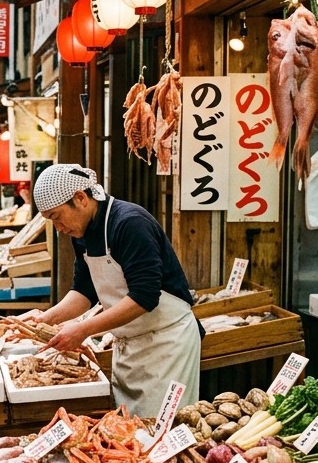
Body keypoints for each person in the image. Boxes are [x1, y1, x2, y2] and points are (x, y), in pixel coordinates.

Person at [28, 164, 201, 414]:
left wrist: (82, 330)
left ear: (80, 198)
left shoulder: (130, 223)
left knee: (162, 431)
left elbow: (144, 297)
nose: (58, 228)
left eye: (56, 217)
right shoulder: (81, 233)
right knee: (128, 435)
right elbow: (84, 291)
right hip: (129, 348)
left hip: (167, 345)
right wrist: (46, 318)